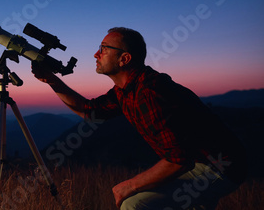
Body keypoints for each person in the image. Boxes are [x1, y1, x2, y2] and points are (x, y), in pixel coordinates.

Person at [32, 27, 247, 209]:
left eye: (103, 49)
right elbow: (90, 111)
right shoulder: (126, 89)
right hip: (196, 161)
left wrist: (131, 185)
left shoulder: (149, 93)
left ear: (124, 59)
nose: (96, 55)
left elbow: (179, 160)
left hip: (218, 167)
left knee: (133, 204)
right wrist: (51, 80)